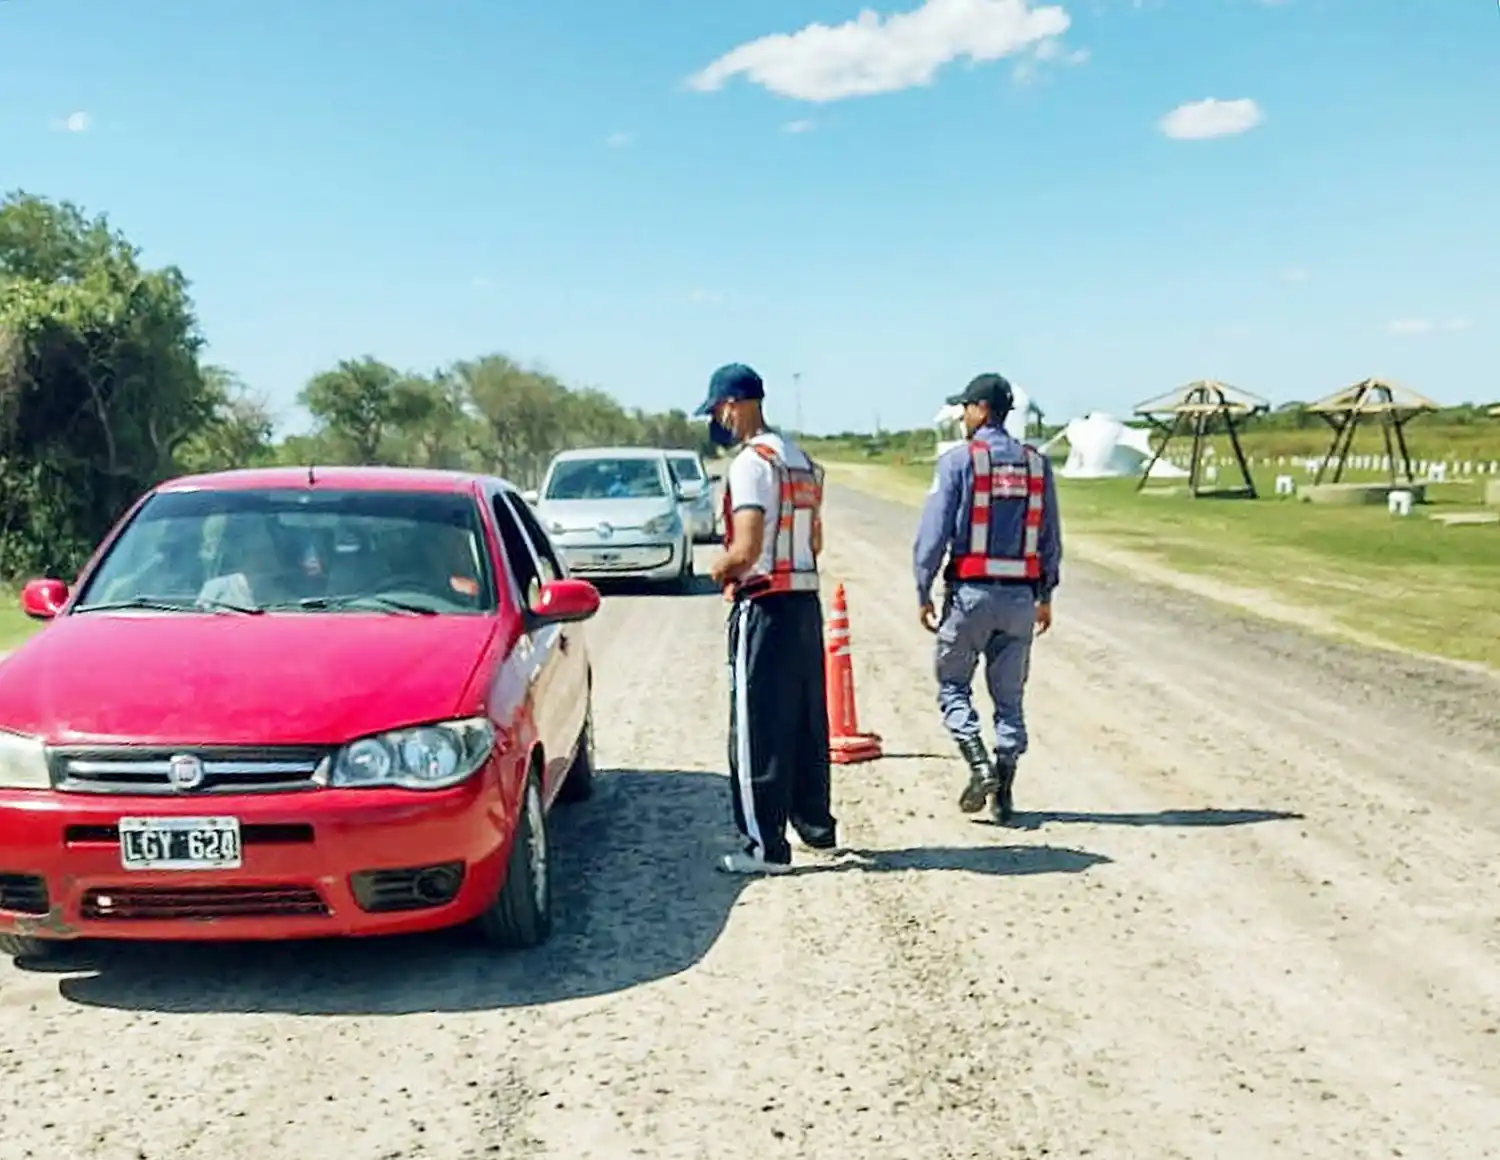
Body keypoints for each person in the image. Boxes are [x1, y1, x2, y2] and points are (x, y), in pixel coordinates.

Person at [696, 362, 838, 875]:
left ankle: (764, 846)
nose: (719, 420)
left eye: (718, 410)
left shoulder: (750, 465)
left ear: (734, 404)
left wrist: (720, 567)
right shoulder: (798, 459)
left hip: (764, 604)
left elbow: (748, 544)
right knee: (803, 720)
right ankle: (814, 823)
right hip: (804, 601)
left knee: (756, 728)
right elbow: (815, 540)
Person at [912, 372, 1062, 825]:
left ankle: (979, 766)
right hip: (1020, 599)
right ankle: (1005, 792)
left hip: (970, 595)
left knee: (954, 685)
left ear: (980, 409)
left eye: (965, 408)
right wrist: (1046, 594)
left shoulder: (958, 462)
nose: (962, 415)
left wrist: (922, 588)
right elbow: (1050, 536)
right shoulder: (1038, 464)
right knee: (1010, 698)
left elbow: (933, 534)